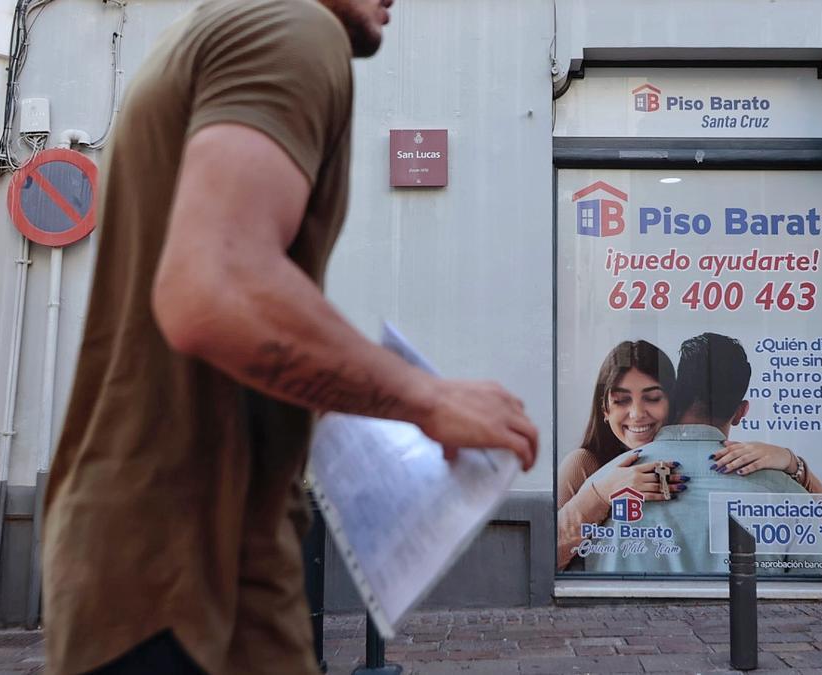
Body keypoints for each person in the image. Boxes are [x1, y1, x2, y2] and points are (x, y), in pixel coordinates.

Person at [41, 1, 538, 674]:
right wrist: (424, 397)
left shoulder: (208, 33)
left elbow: (218, 310)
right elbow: (215, 291)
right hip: (184, 580)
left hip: (183, 572)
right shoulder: (294, 30)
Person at [580, 333, 822, 574]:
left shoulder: (603, 486)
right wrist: (792, 465)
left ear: (674, 398)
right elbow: (817, 594)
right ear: (742, 412)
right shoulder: (789, 496)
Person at [556, 340, 686, 571]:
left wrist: (773, 456)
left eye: (653, 398)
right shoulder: (583, 464)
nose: (636, 414)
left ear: (672, 404)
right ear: (605, 409)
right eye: (621, 400)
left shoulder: (689, 459)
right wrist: (602, 493)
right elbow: (545, 561)